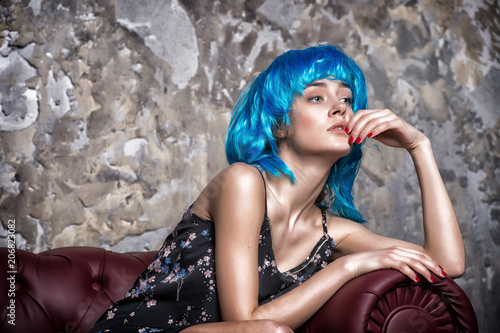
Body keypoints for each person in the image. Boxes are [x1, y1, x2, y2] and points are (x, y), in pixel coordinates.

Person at [89, 43, 465, 333]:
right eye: (317, 97)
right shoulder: (243, 182)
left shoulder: (331, 230)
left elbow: (447, 264)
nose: (340, 109)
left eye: (347, 99)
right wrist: (349, 267)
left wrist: (420, 147)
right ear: (279, 125)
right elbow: (245, 322)